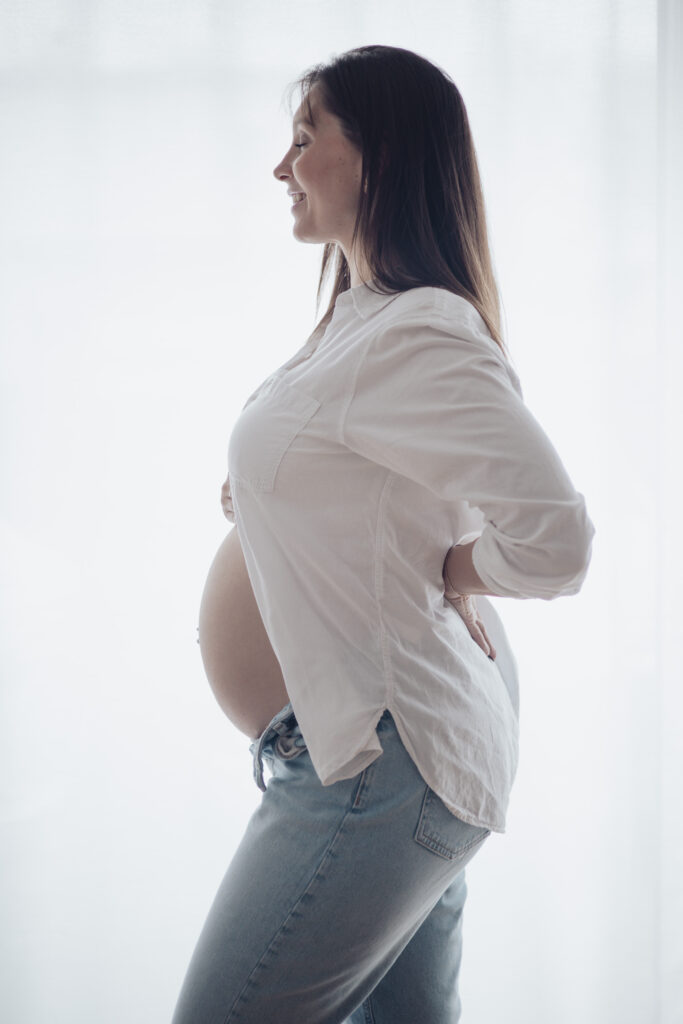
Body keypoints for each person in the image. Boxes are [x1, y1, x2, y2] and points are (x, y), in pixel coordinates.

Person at [171, 44, 595, 1024]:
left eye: (304, 137)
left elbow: (556, 538)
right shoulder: (362, 316)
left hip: (380, 765)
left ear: (380, 153)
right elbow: (380, 487)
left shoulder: (419, 328)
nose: (282, 166)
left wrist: (456, 569)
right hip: (388, 752)